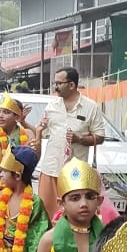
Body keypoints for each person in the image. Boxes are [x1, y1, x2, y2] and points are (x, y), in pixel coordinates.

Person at [38, 67, 106, 207]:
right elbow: (40, 131)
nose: (55, 87)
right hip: (51, 169)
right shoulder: (52, 105)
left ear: (71, 85)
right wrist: (25, 123)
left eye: (59, 83)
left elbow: (100, 137)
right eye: (55, 83)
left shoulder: (91, 107)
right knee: (46, 215)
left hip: (76, 173)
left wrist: (79, 139)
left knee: (73, 215)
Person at [0, 94, 40, 168]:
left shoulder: (28, 133)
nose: (0, 115)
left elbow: (34, 161)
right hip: (3, 178)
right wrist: (23, 151)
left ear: (16, 116)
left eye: (6, 112)